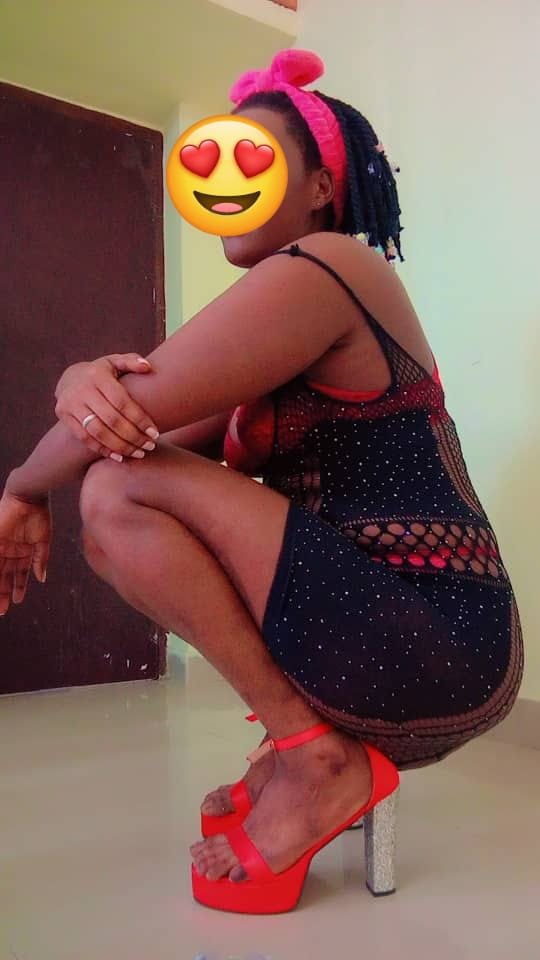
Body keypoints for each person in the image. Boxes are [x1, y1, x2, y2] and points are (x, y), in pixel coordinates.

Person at [0, 49, 523, 913]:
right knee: (120, 489)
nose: (221, 179)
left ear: (318, 187)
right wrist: (79, 383)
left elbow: (120, 424)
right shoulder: (273, 344)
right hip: (367, 629)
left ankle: (315, 758)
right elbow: (118, 431)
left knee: (118, 495)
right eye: (210, 158)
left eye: (254, 157)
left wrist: (23, 487)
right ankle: (307, 746)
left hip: (441, 637)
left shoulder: (336, 264)